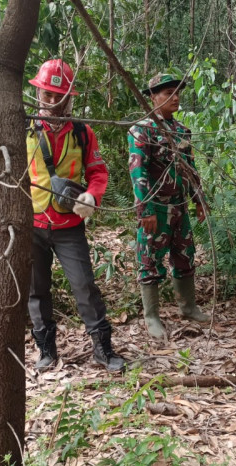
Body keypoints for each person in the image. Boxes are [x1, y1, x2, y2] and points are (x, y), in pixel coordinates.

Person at [25, 58, 125, 372]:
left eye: (58, 96)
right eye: (47, 95)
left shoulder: (82, 133)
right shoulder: (23, 127)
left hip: (69, 225)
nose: (52, 102)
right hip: (32, 221)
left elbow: (97, 172)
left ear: (70, 97)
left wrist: (91, 196)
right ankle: (46, 351)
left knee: (84, 286)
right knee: (36, 290)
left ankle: (103, 350)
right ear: (38, 94)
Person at [127, 73, 210, 339]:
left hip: (179, 207)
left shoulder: (182, 131)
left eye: (177, 93)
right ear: (152, 97)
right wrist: (145, 209)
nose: (175, 98)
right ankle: (151, 316)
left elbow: (190, 168)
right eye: (167, 94)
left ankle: (188, 307)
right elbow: (137, 171)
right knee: (150, 260)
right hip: (157, 209)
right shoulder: (143, 130)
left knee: (185, 257)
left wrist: (199, 200)